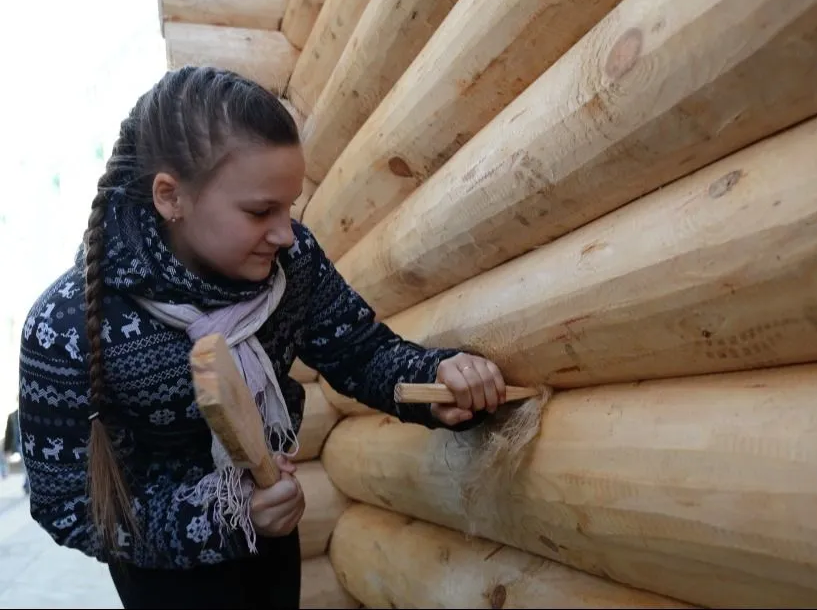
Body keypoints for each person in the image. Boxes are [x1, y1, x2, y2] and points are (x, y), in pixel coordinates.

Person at [17, 65, 507, 610]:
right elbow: (66, 503)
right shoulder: (64, 328)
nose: (284, 232)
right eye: (259, 211)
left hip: (272, 533)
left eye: (289, 205)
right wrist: (227, 515)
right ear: (170, 197)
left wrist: (437, 378)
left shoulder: (292, 262)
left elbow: (360, 352)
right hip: (163, 576)